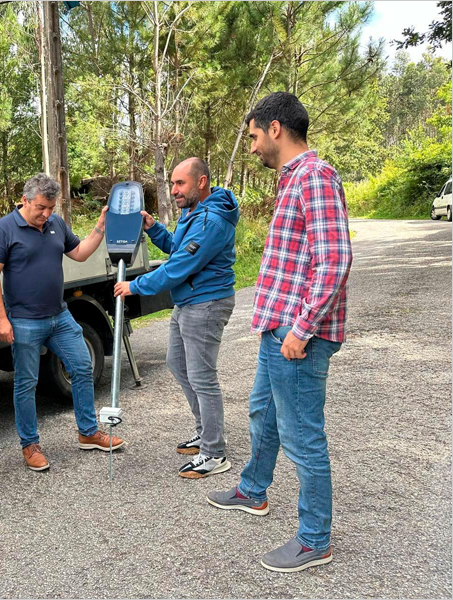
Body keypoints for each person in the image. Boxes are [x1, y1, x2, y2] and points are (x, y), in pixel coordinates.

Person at [206, 92, 352, 573]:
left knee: (302, 437)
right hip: (280, 328)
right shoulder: (293, 181)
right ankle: (253, 490)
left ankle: (315, 539)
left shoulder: (315, 175)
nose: (250, 148)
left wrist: (302, 329)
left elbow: (334, 261)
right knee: (262, 415)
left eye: (252, 136)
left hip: (298, 336)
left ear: (275, 128)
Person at [0, 173, 123, 471]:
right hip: (23, 321)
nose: (46, 214)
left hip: (59, 316)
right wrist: (0, 319)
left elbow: (80, 253)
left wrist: (100, 228)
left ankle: (87, 433)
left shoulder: (55, 224)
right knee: (26, 383)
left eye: (50, 207)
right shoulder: (4, 229)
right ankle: (30, 444)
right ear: (25, 200)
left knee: (83, 366)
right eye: (40, 208)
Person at [114, 158, 238, 479]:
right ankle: (205, 433)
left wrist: (135, 286)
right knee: (177, 364)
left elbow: (180, 265)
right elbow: (177, 247)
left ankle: (214, 453)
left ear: (201, 182)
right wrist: (154, 228)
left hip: (206, 303)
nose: (173, 190)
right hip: (189, 301)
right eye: (172, 183)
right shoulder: (193, 213)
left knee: (202, 377)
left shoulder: (212, 219)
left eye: (180, 183)